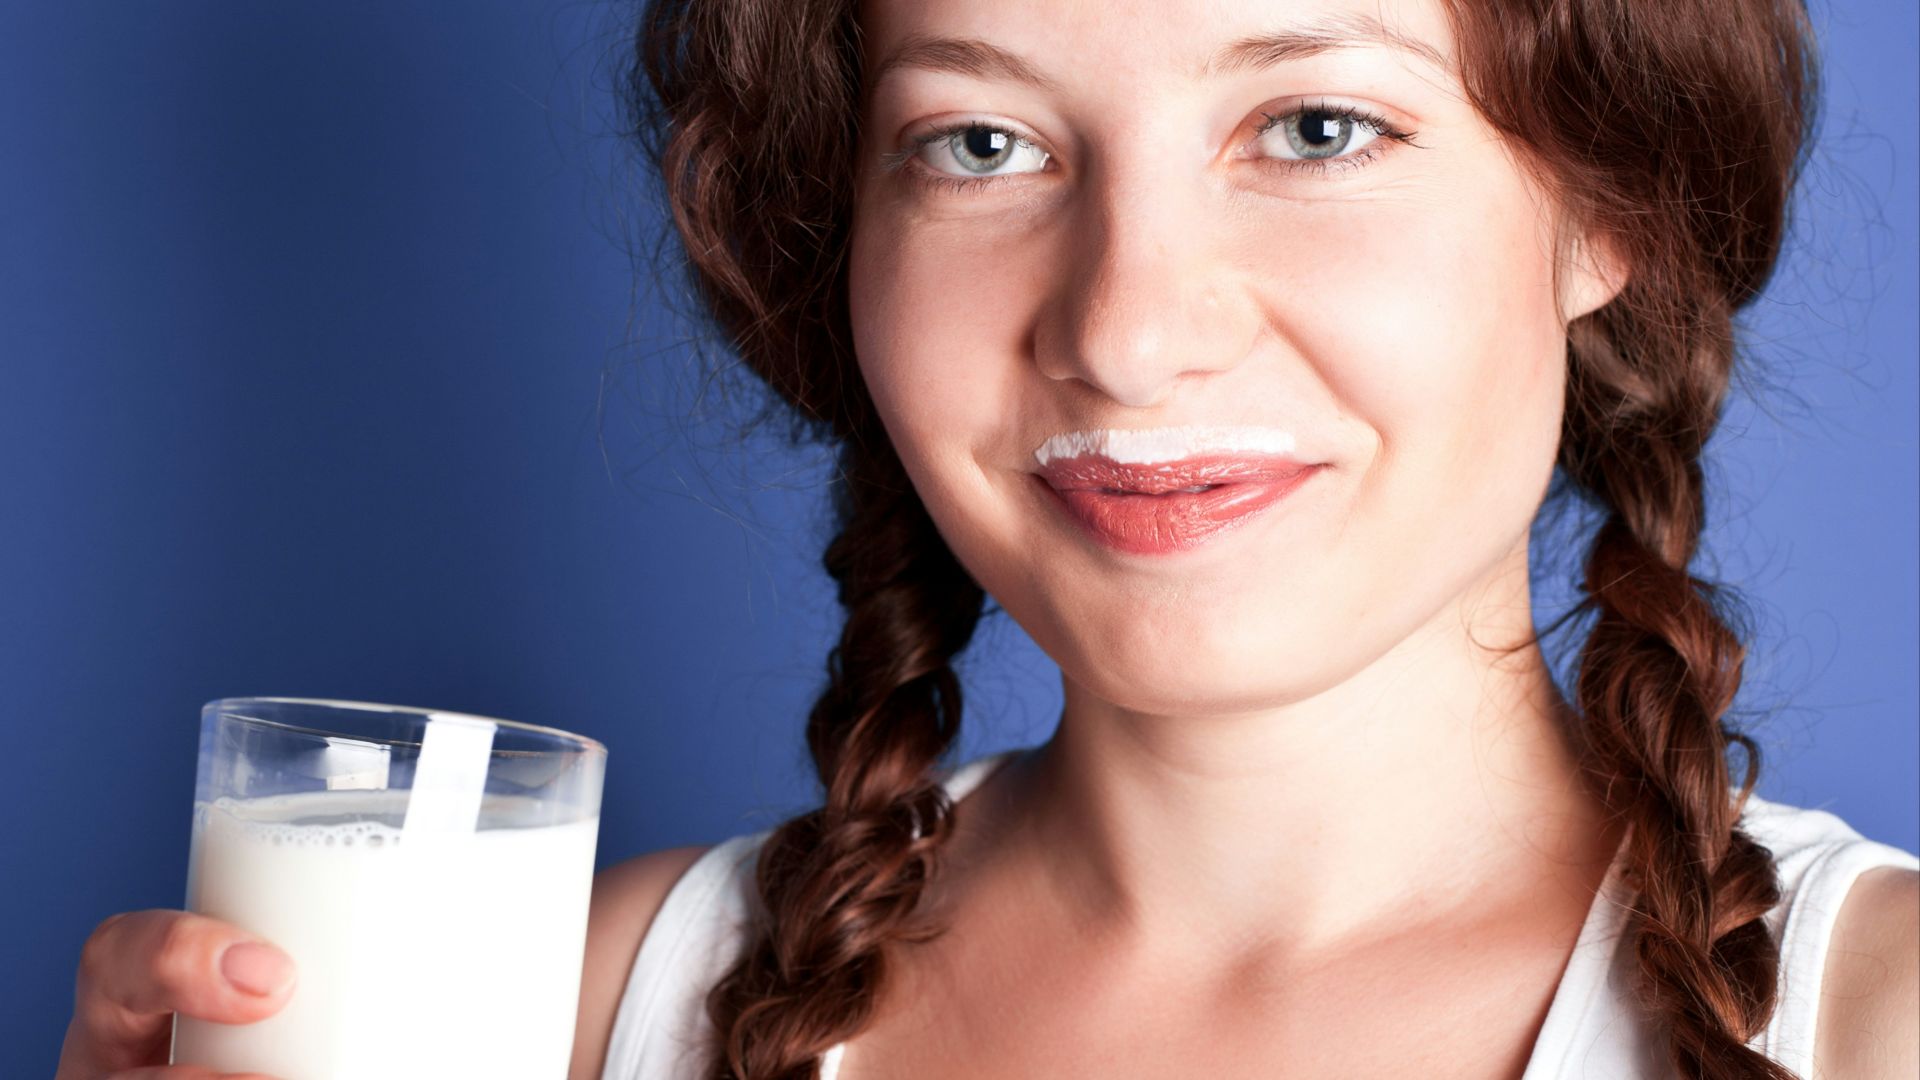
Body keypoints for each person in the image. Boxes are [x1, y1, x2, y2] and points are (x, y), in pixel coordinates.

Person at [54, 0, 1919, 1077]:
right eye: (978, 146)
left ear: (1609, 215)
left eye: (1319, 126)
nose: (1124, 322)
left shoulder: (1881, 1015)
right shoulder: (563, 1010)